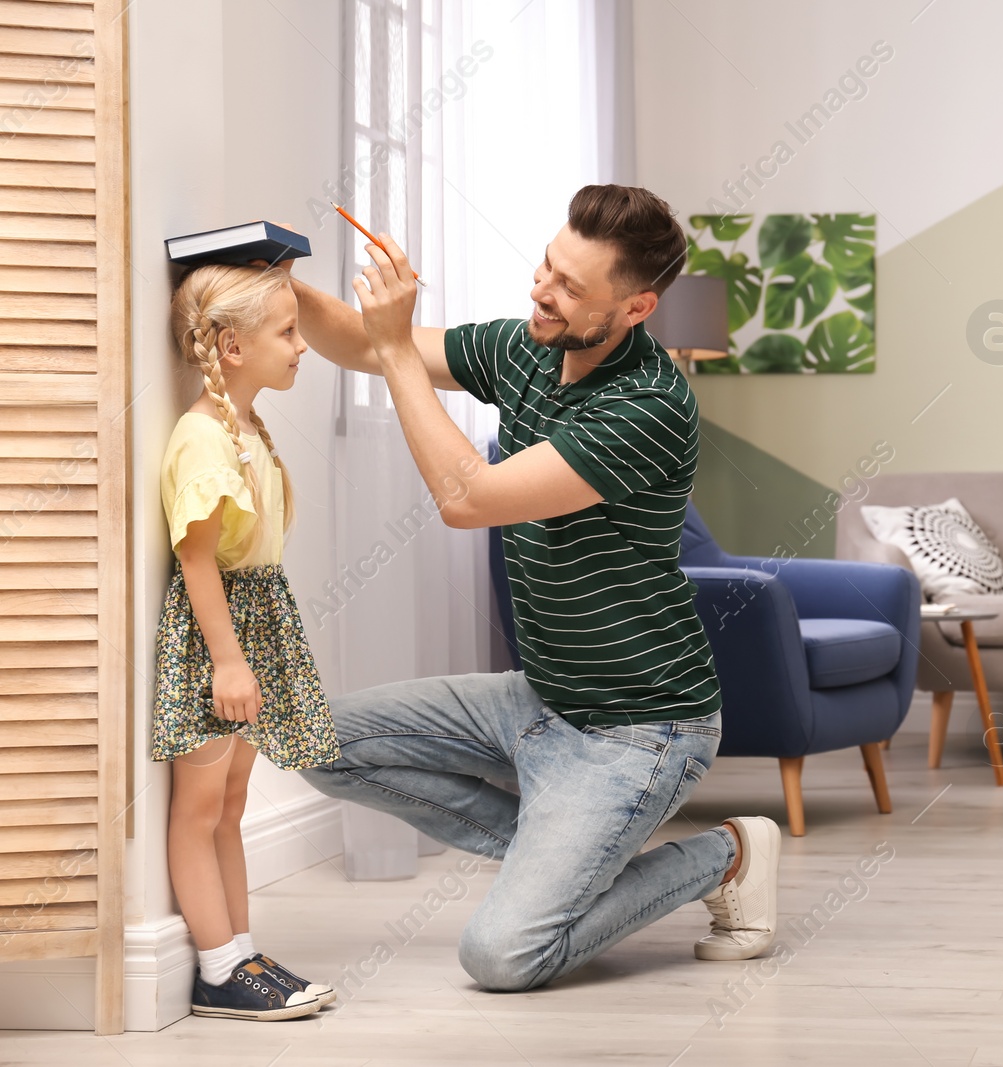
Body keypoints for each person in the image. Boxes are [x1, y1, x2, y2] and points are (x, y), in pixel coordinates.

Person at [291, 185, 781, 992]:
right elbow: (360, 343)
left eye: (569, 287)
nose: (540, 292)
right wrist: (277, 280)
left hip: (642, 725)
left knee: (503, 955)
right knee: (311, 733)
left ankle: (728, 851)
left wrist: (393, 351)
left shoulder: (648, 405)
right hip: (541, 701)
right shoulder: (526, 346)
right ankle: (560, 849)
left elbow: (466, 499)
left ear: (636, 307)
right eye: (546, 266)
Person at [156, 264, 342, 1020]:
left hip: (253, 617)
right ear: (231, 346)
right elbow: (196, 557)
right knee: (200, 806)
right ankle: (216, 964)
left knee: (230, 802)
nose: (302, 346)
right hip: (218, 636)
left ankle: (241, 949)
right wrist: (228, 660)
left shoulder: (247, 426)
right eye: (288, 332)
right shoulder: (202, 439)